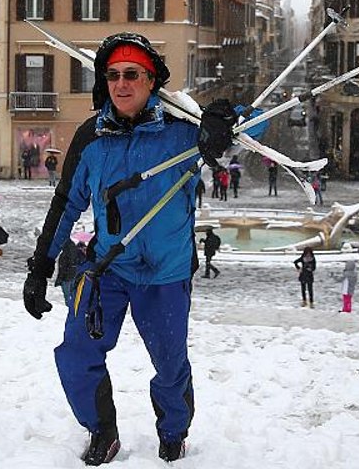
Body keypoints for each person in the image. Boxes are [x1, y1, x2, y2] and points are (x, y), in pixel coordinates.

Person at [21, 32, 246, 465]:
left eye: (132, 74)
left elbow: (253, 127)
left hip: (166, 275)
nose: (121, 84)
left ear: (150, 80)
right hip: (109, 269)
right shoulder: (91, 138)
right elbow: (66, 202)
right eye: (113, 75)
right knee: (76, 353)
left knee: (170, 365)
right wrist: (39, 268)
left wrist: (222, 120)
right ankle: (102, 430)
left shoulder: (184, 130)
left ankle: (173, 431)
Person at [54, 238, 86, 307]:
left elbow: (62, 268)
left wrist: (59, 279)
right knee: (73, 295)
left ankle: (71, 309)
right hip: (74, 277)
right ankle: (74, 308)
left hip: (66, 278)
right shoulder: (76, 252)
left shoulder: (64, 254)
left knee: (67, 296)